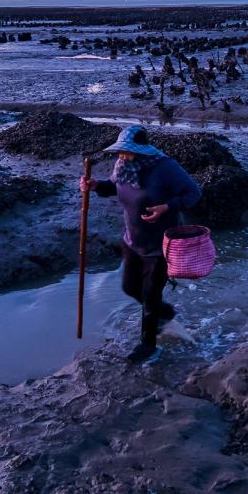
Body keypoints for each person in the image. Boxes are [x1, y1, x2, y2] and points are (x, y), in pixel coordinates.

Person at [80, 125, 201, 362]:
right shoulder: (123, 166)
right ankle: (165, 314)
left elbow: (193, 193)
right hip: (133, 240)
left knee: (149, 294)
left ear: (143, 149)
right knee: (129, 287)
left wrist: (166, 207)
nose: (122, 155)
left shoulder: (165, 167)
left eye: (127, 151)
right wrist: (95, 186)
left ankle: (148, 346)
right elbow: (114, 186)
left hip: (161, 246)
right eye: (120, 151)